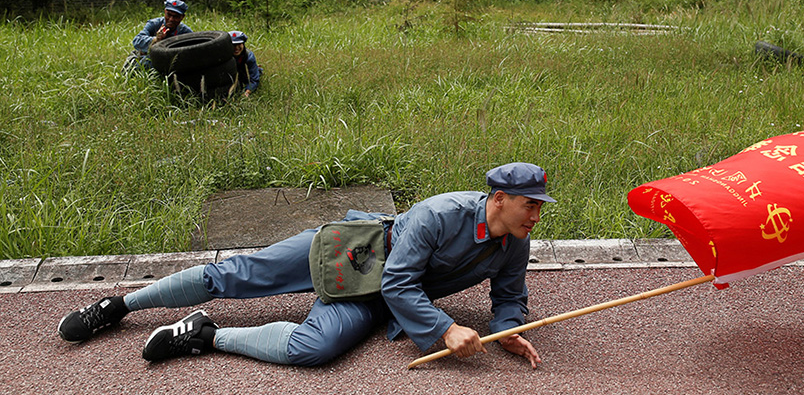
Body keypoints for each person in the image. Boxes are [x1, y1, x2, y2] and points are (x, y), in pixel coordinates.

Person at [57, 162, 555, 369]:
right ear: (498, 199)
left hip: (376, 296)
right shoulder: (437, 214)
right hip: (357, 250)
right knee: (237, 274)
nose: (535, 215)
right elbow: (403, 282)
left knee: (313, 350)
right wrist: (446, 329)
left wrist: (506, 330)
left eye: (538, 207)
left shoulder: (514, 241)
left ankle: (203, 335)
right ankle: (119, 305)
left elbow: (509, 297)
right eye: (529, 205)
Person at [123, 0, 193, 73]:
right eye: (168, 15)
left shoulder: (186, 32)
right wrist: (156, 39)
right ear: (165, 12)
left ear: (182, 17)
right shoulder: (154, 24)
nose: (171, 19)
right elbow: (137, 41)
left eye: (176, 16)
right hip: (149, 59)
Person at [229, 30, 262, 97]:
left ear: (243, 44)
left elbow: (254, 80)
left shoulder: (249, 57)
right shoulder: (224, 56)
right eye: (234, 45)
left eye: (239, 44)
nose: (236, 48)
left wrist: (247, 92)